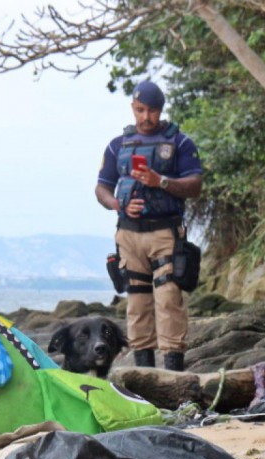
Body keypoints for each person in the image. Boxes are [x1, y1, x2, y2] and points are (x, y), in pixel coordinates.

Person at [95, 81, 203, 372]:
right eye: (140, 110)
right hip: (129, 234)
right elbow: (102, 188)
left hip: (165, 233)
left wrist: (161, 181)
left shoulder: (180, 143)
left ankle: (173, 374)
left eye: (152, 111)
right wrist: (118, 205)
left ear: (161, 110)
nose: (146, 117)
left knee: (168, 301)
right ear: (133, 108)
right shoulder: (117, 145)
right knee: (137, 304)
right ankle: (144, 375)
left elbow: (195, 185)